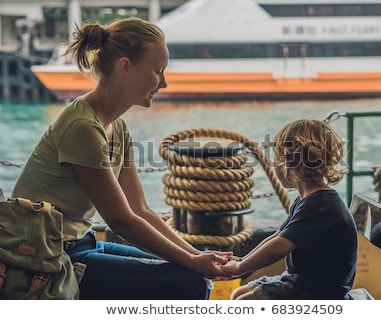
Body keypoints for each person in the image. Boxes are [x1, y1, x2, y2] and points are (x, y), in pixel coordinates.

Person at [12, 17, 230, 300]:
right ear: (125, 66)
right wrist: (191, 262)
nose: (163, 82)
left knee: (191, 273)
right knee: (188, 283)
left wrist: (197, 255)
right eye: (157, 70)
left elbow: (140, 209)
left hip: (82, 244)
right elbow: (120, 219)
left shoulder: (117, 126)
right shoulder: (82, 126)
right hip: (50, 257)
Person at [221, 119, 358, 300]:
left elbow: (281, 246)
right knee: (240, 292)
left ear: (288, 163)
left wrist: (240, 268)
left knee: (245, 301)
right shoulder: (309, 200)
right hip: (301, 280)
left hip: (320, 290)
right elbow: (278, 235)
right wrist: (242, 260)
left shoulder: (320, 207)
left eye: (276, 158)